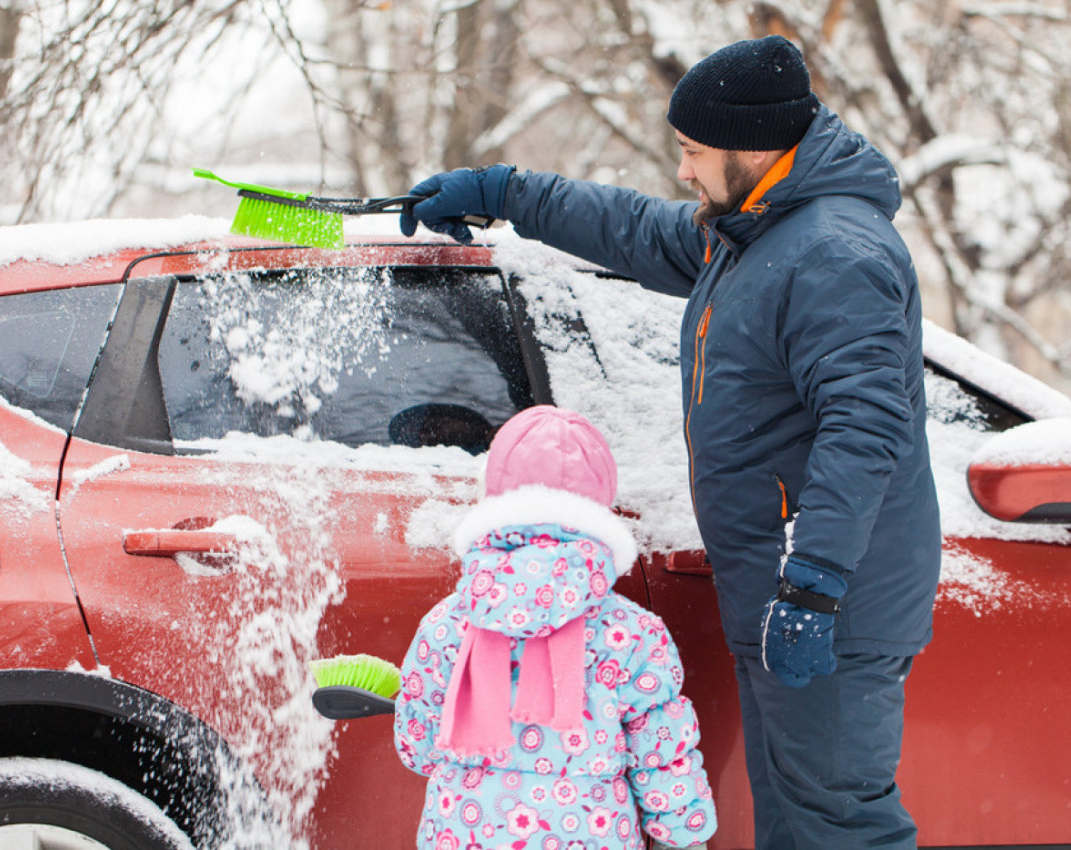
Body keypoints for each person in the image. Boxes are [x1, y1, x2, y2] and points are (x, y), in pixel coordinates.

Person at [399, 34, 942, 849]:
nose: (684, 172)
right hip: (782, 583)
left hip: (833, 597)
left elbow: (864, 426)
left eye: (693, 153)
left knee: (838, 823)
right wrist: (505, 190)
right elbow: (639, 230)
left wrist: (815, 585)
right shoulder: (761, 231)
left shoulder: (832, 253)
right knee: (799, 818)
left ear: (750, 146)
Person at [393, 404, 717, 850]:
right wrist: (683, 836)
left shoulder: (447, 625)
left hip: (463, 833)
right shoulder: (632, 633)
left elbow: (419, 746)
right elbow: (661, 754)